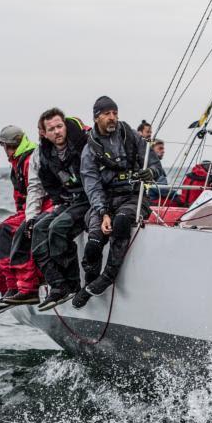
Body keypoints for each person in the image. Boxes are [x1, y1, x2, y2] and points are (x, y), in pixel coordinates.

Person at [72, 96, 161, 309]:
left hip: (132, 197)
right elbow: (92, 185)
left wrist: (150, 172)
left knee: (121, 221)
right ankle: (89, 285)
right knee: (94, 241)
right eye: (107, 114)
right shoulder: (90, 150)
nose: (112, 118)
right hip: (104, 201)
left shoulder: (130, 136)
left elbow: (155, 166)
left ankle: (108, 277)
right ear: (96, 118)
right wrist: (103, 213)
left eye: (115, 113)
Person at [30, 108, 91, 310]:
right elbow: (47, 179)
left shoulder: (82, 143)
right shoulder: (45, 152)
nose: (57, 132)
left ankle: (73, 284)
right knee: (37, 229)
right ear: (44, 133)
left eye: (59, 126)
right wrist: (59, 199)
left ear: (65, 126)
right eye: (51, 129)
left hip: (89, 198)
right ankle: (58, 286)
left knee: (59, 227)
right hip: (69, 200)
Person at [0, 126, 44, 314]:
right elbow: (20, 195)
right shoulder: (16, 162)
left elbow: (36, 190)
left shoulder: (30, 159)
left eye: (4, 145)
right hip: (25, 210)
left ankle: (20, 287)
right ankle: (6, 291)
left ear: (7, 145)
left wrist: (29, 217)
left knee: (7, 231)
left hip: (40, 208)